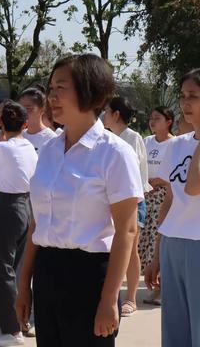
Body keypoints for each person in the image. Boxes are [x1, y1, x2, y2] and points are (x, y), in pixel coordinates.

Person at [16, 54, 143, 347]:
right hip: (47, 273)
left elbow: (126, 230)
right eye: (50, 89)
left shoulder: (114, 153)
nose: (52, 97)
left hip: (89, 278)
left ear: (90, 91)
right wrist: (24, 284)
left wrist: (110, 299)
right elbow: (39, 221)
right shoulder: (48, 150)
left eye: (62, 88)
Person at [145, 68, 200, 347]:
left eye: (194, 96)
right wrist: (156, 253)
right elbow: (169, 201)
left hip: (198, 244)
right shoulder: (176, 146)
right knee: (175, 330)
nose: (185, 103)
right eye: (183, 96)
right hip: (173, 243)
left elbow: (193, 187)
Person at [0, 101, 37, 347]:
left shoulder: (3, 147)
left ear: (1, 122)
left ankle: (13, 330)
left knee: (2, 269)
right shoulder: (29, 147)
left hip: (6, 205)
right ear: (25, 124)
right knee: (14, 266)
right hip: (26, 205)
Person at [103, 96, 149, 317]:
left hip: (133, 201)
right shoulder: (107, 138)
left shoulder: (134, 138)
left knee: (130, 250)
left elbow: (137, 176)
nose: (103, 115)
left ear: (116, 115)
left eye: (106, 111)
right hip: (110, 203)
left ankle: (130, 298)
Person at [140, 107, 175, 306]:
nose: (152, 122)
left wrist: (159, 181)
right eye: (151, 118)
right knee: (146, 241)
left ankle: (162, 288)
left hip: (163, 196)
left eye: (157, 118)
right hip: (146, 194)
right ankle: (153, 283)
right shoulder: (146, 142)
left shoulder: (175, 144)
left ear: (168, 121)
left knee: (157, 239)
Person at [18, 88, 57, 153]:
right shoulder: (19, 136)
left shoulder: (51, 139)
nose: (23, 113)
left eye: (28, 108)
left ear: (42, 109)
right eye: (20, 109)